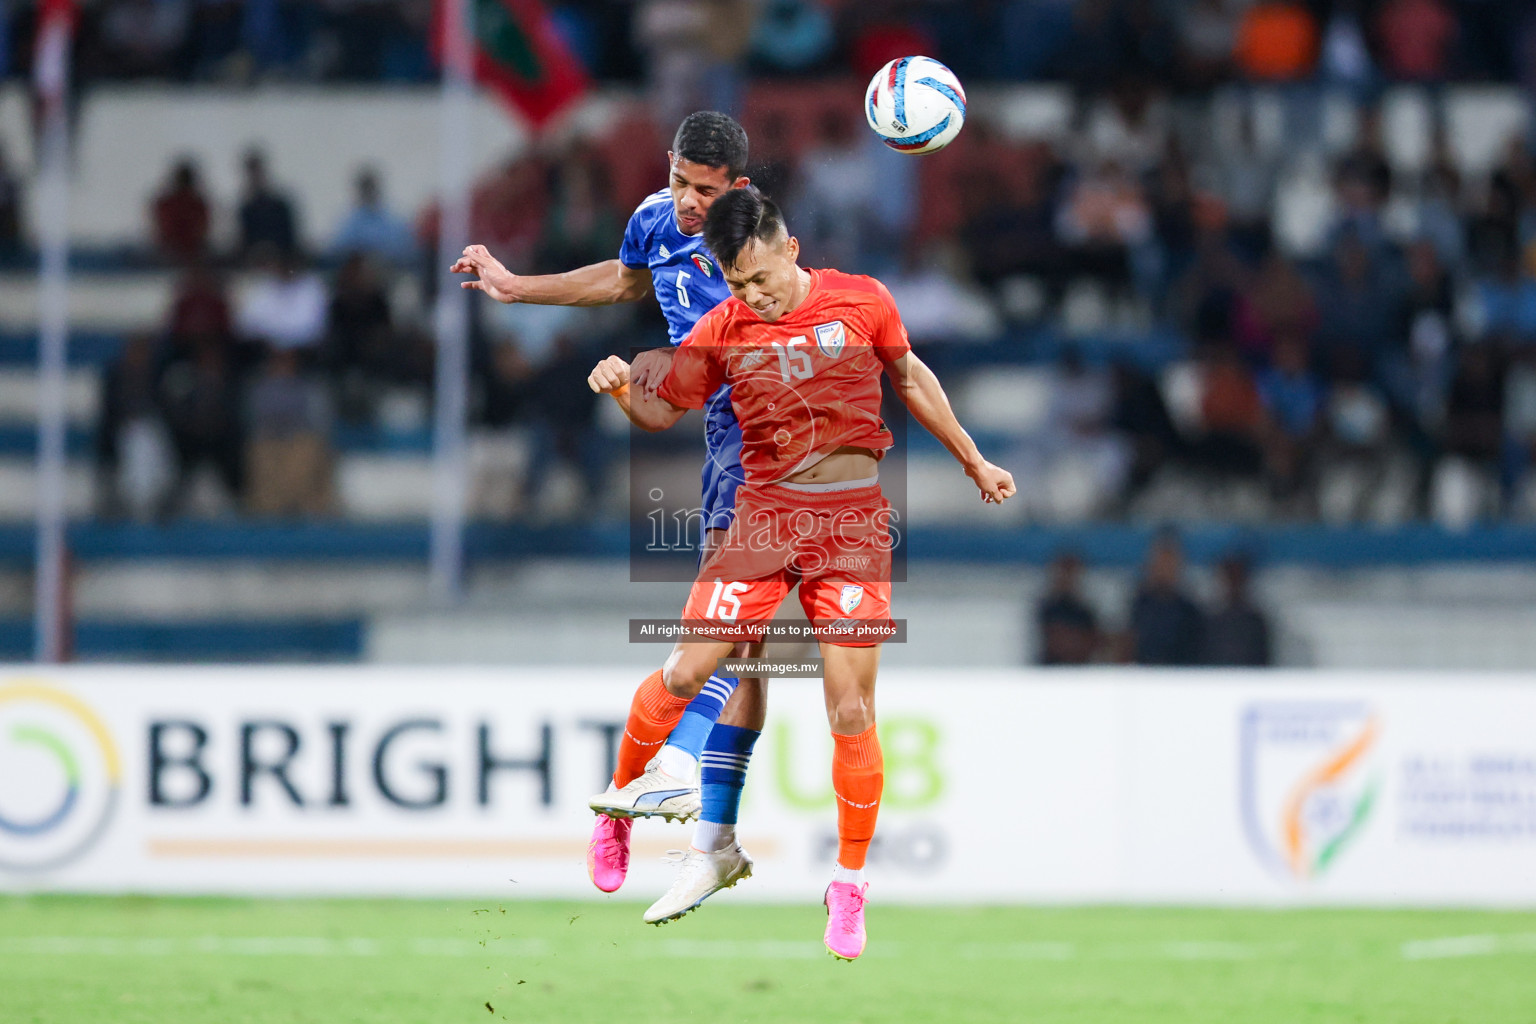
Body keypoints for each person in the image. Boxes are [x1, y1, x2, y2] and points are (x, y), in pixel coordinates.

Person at [584, 188, 1015, 959]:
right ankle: (617, 810)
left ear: (790, 247)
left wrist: (973, 458)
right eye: (737, 284)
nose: (753, 295)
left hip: (850, 525)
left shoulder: (863, 301)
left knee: (850, 711)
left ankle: (848, 886)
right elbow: (661, 413)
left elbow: (911, 379)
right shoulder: (722, 328)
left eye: (760, 278)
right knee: (685, 670)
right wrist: (622, 389)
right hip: (764, 518)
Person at [451, 112, 766, 897]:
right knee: (729, 644)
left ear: (740, 188)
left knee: (739, 641)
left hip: (773, 428)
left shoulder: (757, 240)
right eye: (681, 183)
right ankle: (648, 808)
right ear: (667, 167)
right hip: (731, 435)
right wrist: (517, 287)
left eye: (707, 191)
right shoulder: (654, 221)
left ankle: (666, 811)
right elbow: (623, 281)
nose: (690, 203)